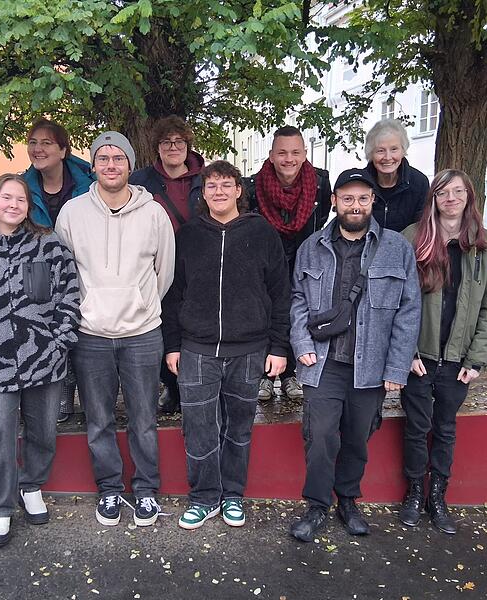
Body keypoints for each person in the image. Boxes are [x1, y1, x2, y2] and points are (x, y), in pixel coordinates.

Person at [0, 174, 80, 547]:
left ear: (28, 206)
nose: (13, 205)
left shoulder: (48, 245)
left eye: (20, 199)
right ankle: (1, 505)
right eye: (6, 198)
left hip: (44, 359)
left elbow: (69, 294)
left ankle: (31, 485)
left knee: (43, 430)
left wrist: (59, 341)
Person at [288, 168, 421, 542]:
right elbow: (297, 300)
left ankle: (347, 501)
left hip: (371, 365)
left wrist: (397, 366)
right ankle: (317, 505)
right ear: (334, 202)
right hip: (323, 362)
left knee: (357, 438)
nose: (356, 205)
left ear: (373, 201)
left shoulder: (397, 248)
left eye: (363, 198)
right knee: (320, 436)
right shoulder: (311, 247)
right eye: (347, 198)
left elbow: (409, 310)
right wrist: (302, 345)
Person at [55, 131, 175, 528]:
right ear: (93, 166)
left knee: (143, 419)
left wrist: (139, 303)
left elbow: (164, 272)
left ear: (129, 165)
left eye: (118, 158)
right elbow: (64, 273)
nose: (111, 165)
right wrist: (90, 307)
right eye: (103, 158)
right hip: (91, 333)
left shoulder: (154, 213)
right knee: (99, 420)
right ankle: (109, 489)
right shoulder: (71, 213)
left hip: (142, 333)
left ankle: (146, 490)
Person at [162, 161, 290, 530]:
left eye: (226, 184)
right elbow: (173, 294)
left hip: (249, 350)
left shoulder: (261, 232)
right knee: (199, 428)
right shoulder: (189, 235)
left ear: (238, 190)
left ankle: (232, 495)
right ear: (203, 193)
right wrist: (173, 345)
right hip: (196, 348)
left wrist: (279, 346)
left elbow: (280, 293)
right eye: (211, 185)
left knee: (238, 428)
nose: (218, 191)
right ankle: (204, 498)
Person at [399, 169, 487, 534]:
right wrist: (406, 352)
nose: (451, 199)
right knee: (416, 427)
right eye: (443, 192)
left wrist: (477, 359)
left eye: (458, 192)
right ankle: (414, 492)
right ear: (434, 198)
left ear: (468, 197)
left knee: (445, 428)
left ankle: (438, 496)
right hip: (419, 357)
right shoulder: (412, 238)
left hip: (458, 361)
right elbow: (396, 301)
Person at [245, 126, 332, 402]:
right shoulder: (253, 187)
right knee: (266, 313)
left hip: (304, 259)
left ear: (304, 154)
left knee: (300, 314)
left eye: (295, 152)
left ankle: (291, 373)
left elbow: (320, 219)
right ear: (271, 155)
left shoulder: (320, 183)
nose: (289, 159)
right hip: (267, 260)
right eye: (282, 153)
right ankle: (266, 374)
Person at [130, 116, 205, 414]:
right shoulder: (140, 181)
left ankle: (194, 385)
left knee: (193, 324)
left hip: (197, 262)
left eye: (179, 141)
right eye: (166, 142)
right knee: (161, 325)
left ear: (188, 145)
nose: (173, 147)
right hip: (155, 263)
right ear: (157, 147)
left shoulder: (205, 178)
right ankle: (171, 387)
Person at [23, 118, 94, 423]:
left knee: (82, 329)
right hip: (40, 270)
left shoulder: (88, 183)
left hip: (84, 266)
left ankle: (79, 389)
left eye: (46, 143)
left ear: (63, 150)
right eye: (33, 142)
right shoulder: (22, 186)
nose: (38, 149)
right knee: (47, 329)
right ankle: (59, 387)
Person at [363, 119, 429, 233]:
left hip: (407, 243)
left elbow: (421, 228)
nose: (388, 157)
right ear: (371, 154)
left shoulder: (419, 183)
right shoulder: (360, 182)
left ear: (403, 151)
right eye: (380, 151)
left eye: (394, 149)